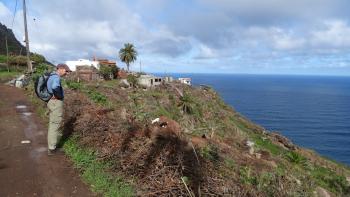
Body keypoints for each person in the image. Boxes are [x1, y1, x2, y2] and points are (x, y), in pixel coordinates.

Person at [46, 63, 71, 155]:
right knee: (55, 124)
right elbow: (55, 87)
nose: (67, 73)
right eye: (66, 71)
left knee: (52, 123)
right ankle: (52, 149)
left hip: (51, 101)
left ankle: (51, 146)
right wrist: (59, 96)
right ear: (60, 69)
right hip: (56, 102)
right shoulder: (56, 77)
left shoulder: (51, 76)